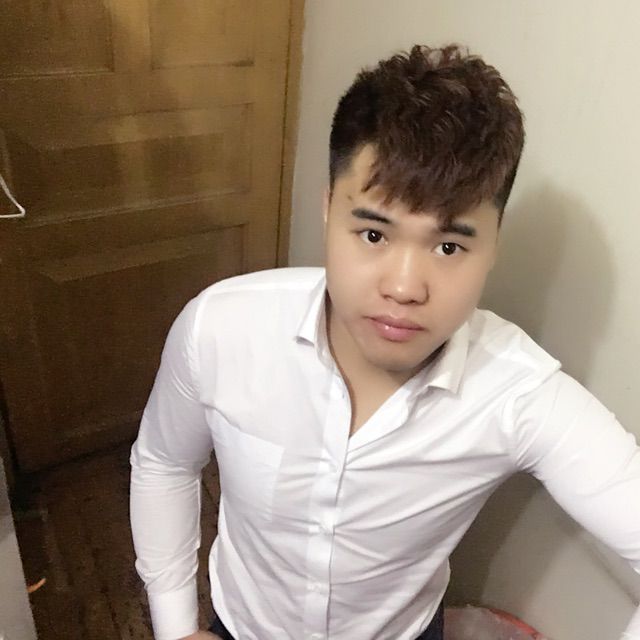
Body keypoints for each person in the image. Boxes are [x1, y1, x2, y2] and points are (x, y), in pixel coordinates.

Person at [130, 45, 640, 640]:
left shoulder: (520, 394)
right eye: (374, 234)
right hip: (241, 623)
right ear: (328, 210)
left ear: (493, 245)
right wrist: (174, 626)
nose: (403, 288)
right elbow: (164, 462)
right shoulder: (222, 328)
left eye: (448, 246)